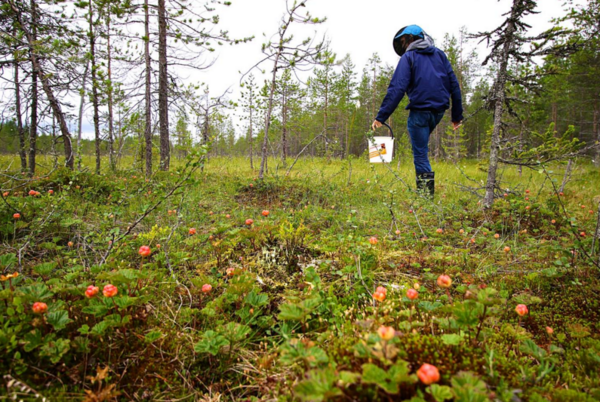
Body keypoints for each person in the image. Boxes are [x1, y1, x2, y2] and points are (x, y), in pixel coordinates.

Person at [372, 25, 463, 198]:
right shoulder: (440, 55)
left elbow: (397, 88)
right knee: (422, 150)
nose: (403, 45)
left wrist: (381, 117)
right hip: (438, 113)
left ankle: (426, 197)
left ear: (410, 39)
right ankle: (425, 195)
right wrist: (456, 116)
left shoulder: (409, 57)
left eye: (403, 41)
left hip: (420, 113)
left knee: (421, 154)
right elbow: (454, 86)